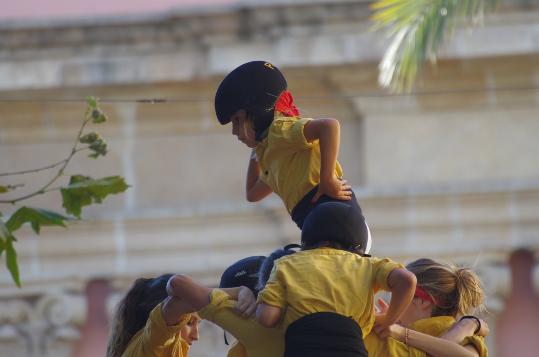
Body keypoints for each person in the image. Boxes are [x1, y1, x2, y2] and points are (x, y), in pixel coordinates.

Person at [214, 61, 371, 254]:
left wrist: (327, 179)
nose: (234, 132)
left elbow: (329, 126)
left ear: (257, 111)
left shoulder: (280, 130)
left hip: (331, 212)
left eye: (237, 121)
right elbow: (252, 193)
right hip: (316, 221)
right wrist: (257, 149)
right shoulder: (271, 154)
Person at [255, 201, 417, 357]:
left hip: (302, 349)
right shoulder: (368, 265)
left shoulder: (286, 264)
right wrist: (388, 320)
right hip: (350, 349)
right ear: (359, 242)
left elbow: (267, 317)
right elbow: (407, 281)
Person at [166, 246, 298, 357]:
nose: (196, 336)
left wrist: (239, 291)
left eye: (229, 302)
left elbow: (177, 284)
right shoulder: (310, 309)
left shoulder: (258, 328)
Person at [366, 258, 488, 357]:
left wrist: (403, 333)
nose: (393, 305)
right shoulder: (465, 335)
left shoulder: (464, 337)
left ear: (423, 301)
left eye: (398, 296)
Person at [106, 274, 200, 357]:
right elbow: (176, 285)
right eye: (189, 322)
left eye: (198, 323)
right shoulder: (152, 346)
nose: (196, 336)